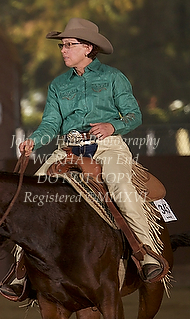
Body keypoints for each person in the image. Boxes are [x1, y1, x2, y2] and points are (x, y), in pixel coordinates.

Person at [19, 17, 164, 282]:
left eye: (69, 45)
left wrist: (112, 126)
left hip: (108, 147)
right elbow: (50, 124)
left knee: (120, 187)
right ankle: (21, 272)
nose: (63, 50)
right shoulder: (58, 85)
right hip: (68, 149)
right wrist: (34, 141)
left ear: (87, 47)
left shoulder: (113, 77)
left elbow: (134, 115)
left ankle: (147, 254)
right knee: (31, 195)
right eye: (62, 45)